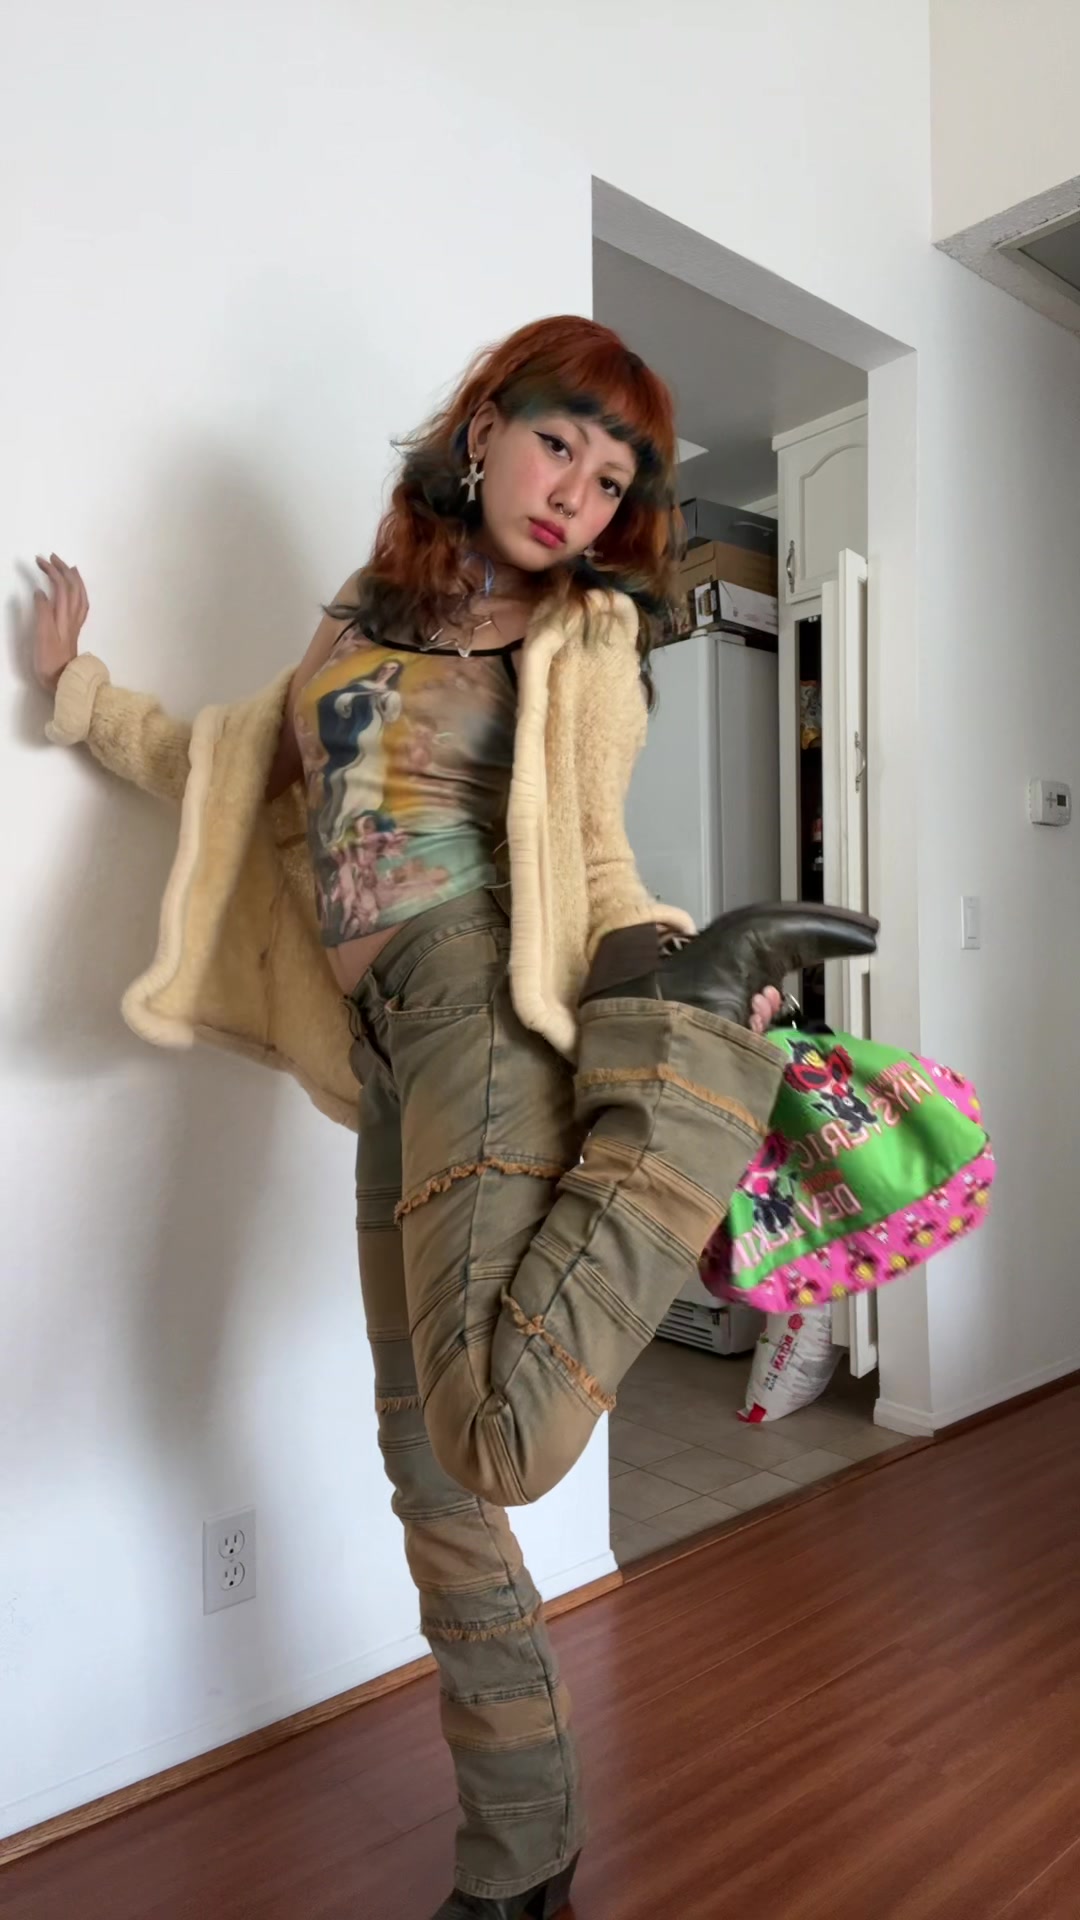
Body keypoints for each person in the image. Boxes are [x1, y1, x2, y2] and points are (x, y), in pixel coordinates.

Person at [32, 315, 876, 1920]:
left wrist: (669, 965)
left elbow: (597, 859)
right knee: (433, 1471)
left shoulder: (583, 634)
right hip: (387, 1060)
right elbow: (235, 768)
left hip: (486, 1005)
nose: (576, 496)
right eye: (561, 446)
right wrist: (77, 692)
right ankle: (519, 1867)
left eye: (612, 480)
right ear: (485, 427)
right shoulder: (363, 614)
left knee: (496, 1432)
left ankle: (692, 1098)